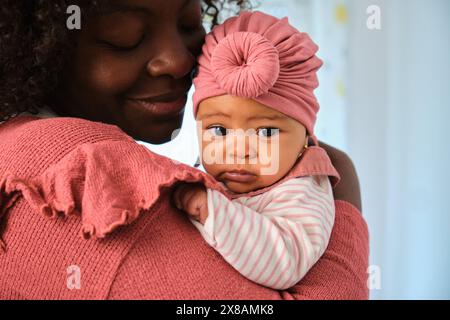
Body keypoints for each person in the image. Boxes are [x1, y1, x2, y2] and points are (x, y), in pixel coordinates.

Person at [0, 0, 368, 299]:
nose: (178, 61)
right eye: (125, 36)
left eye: (191, 26)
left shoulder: (14, 140)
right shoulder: (76, 169)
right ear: (41, 43)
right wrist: (341, 183)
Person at [172, 11, 338, 290]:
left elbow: (285, 262)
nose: (238, 151)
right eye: (219, 131)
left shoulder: (302, 190)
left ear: (305, 138)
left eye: (266, 132)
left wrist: (211, 211)